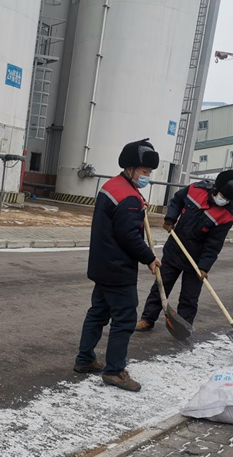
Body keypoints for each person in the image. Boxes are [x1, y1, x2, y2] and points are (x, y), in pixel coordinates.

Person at [74, 139, 161, 392]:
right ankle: (114, 371)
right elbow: (129, 237)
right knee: (124, 319)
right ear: (131, 168)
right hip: (118, 269)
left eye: (150, 173)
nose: (148, 177)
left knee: (98, 313)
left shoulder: (111, 186)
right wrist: (149, 257)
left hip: (101, 265)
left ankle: (85, 359)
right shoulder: (129, 198)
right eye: (145, 172)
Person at [136, 170, 233, 332]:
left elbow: (214, 244)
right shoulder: (196, 189)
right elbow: (177, 201)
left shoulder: (227, 215)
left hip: (196, 259)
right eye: (223, 195)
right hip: (175, 248)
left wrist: (204, 267)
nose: (223, 200)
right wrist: (170, 219)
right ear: (216, 188)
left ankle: (183, 327)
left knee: (189, 296)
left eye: (228, 199)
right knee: (161, 286)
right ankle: (147, 319)